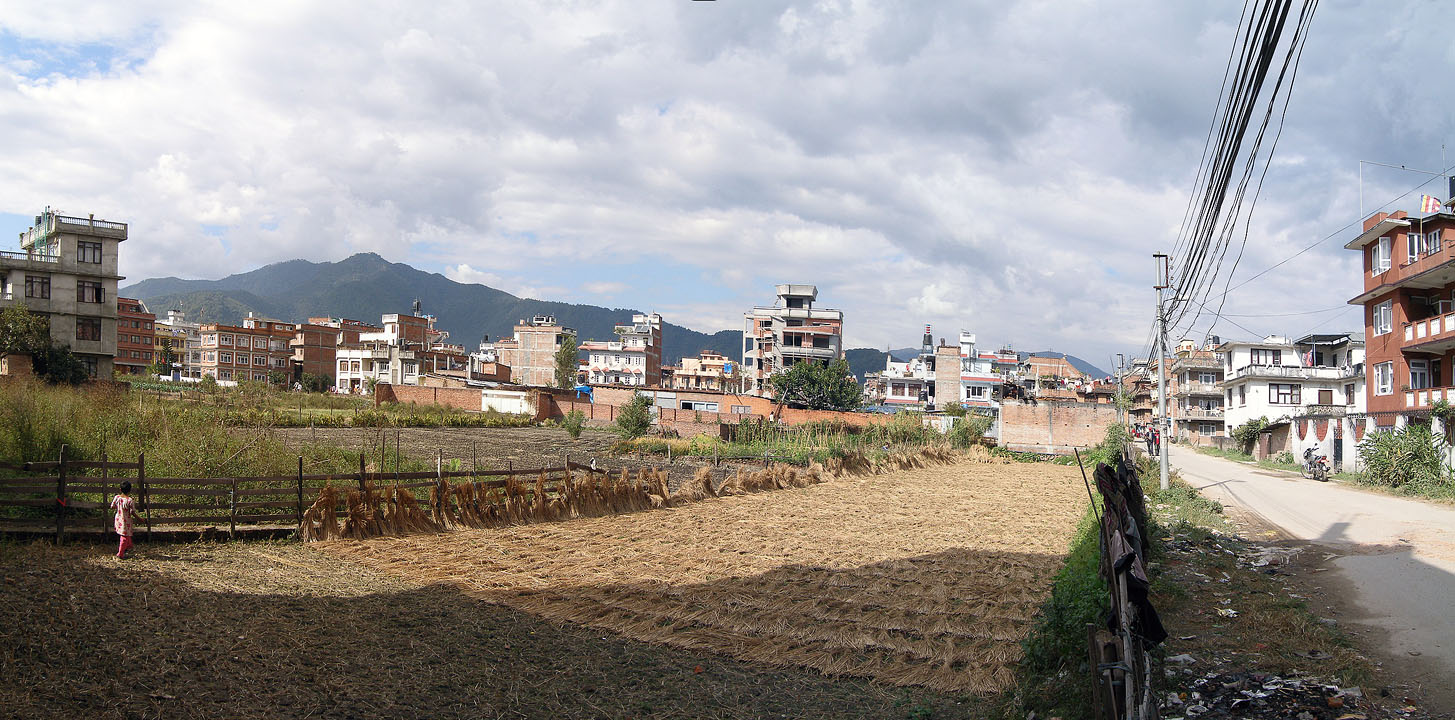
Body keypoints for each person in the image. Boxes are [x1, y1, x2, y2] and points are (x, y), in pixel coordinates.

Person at [110, 481, 139, 559]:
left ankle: (128, 546)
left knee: (125, 534)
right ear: (130, 490)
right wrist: (140, 519)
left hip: (118, 519)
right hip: (126, 520)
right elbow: (132, 512)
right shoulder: (130, 500)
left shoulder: (117, 497)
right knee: (124, 536)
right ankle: (120, 553)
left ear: (120, 489)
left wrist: (119, 508)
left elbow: (112, 506)